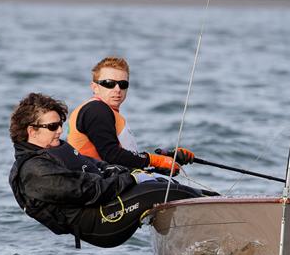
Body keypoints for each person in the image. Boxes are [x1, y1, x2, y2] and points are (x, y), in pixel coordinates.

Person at [9, 92, 203, 249]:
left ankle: (210, 210)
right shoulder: (34, 171)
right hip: (99, 222)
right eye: (52, 126)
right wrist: (130, 179)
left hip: (105, 202)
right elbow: (87, 190)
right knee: (161, 192)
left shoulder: (52, 148)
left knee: (162, 183)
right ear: (31, 131)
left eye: (60, 124)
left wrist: (138, 171)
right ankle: (222, 216)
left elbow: (96, 166)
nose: (60, 130)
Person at [67, 56, 195, 176]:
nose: (117, 89)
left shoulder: (106, 112)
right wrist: (153, 160)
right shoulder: (96, 110)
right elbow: (111, 155)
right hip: (99, 187)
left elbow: (121, 162)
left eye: (123, 84)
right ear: (94, 87)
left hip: (112, 181)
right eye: (109, 83)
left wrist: (168, 161)